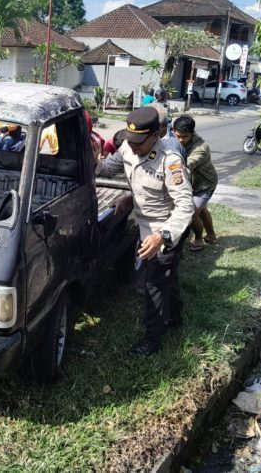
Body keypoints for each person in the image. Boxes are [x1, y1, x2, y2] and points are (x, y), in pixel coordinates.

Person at [95, 106, 194, 356]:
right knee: (164, 276)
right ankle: (175, 316)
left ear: (155, 136)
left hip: (167, 228)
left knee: (154, 284)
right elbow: (107, 170)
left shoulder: (171, 162)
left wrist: (162, 236)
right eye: (131, 141)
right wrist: (93, 158)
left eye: (139, 142)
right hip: (143, 223)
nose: (134, 147)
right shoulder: (129, 146)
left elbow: (185, 206)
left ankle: (152, 339)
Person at [172, 115, 218, 251]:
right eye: (178, 136)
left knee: (191, 213)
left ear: (192, 133)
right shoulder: (171, 138)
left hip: (204, 185)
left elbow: (185, 166)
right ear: (173, 130)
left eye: (184, 137)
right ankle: (211, 235)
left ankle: (198, 238)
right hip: (189, 184)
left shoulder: (201, 148)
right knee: (201, 209)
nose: (180, 140)